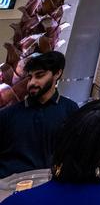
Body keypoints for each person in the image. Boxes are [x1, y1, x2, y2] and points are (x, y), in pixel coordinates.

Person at [0, 50, 78, 179]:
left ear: (57, 73)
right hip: (9, 187)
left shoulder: (70, 110)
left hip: (51, 186)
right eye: (30, 77)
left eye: (39, 75)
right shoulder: (9, 115)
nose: (32, 83)